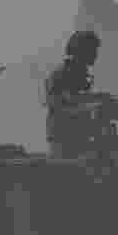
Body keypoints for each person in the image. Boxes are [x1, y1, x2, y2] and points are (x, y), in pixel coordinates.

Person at [44, 30, 102, 158]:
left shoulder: (80, 74)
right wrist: (93, 104)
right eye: (92, 50)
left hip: (80, 137)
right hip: (64, 140)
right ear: (81, 51)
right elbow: (61, 106)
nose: (96, 55)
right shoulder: (61, 75)